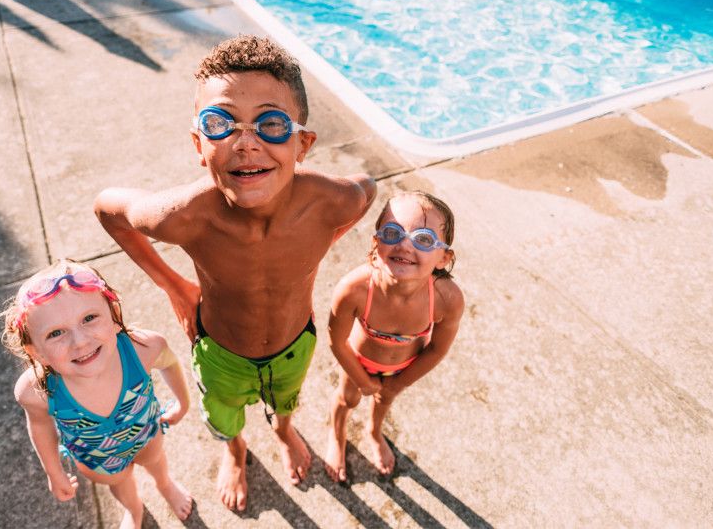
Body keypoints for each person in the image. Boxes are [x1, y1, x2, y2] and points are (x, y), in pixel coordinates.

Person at [94, 34, 376, 511]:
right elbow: (108, 209)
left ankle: (284, 432)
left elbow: (367, 190)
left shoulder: (330, 200)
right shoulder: (182, 215)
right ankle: (236, 452)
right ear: (198, 145)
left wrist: (325, 239)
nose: (247, 144)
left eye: (271, 123)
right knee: (224, 417)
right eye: (220, 123)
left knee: (286, 403)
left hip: (295, 344)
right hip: (220, 350)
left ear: (302, 142)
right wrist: (173, 286)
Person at [1, 259, 193, 528]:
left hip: (147, 432)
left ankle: (165, 484)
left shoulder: (143, 348)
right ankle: (134, 509)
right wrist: (53, 472)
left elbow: (171, 364)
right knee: (120, 484)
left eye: (89, 318)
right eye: (56, 333)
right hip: (96, 458)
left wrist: (183, 403)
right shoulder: (35, 391)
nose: (80, 342)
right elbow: (40, 425)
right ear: (37, 352)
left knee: (156, 460)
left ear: (114, 316)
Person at [324, 191, 464, 482]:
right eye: (392, 232)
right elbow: (336, 342)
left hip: (403, 366)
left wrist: (396, 384)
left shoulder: (446, 299)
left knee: (384, 402)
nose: (404, 244)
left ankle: (374, 433)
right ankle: (337, 436)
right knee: (346, 400)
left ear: (443, 258)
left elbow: (437, 350)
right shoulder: (355, 289)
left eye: (423, 239)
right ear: (376, 245)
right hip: (357, 360)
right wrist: (363, 381)